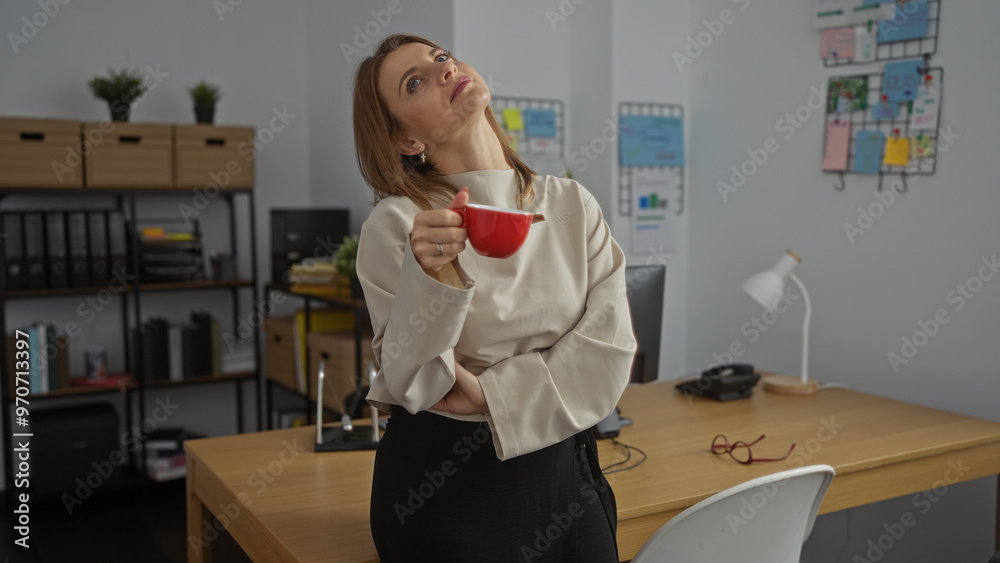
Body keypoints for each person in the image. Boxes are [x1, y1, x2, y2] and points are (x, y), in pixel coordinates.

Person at [352, 33, 637, 562]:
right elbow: (416, 381)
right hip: (442, 491)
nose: (442, 70)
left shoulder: (572, 203)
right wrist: (427, 277)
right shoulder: (396, 226)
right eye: (414, 82)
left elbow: (610, 348)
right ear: (405, 140)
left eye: (440, 58)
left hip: (564, 473)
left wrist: (491, 395)